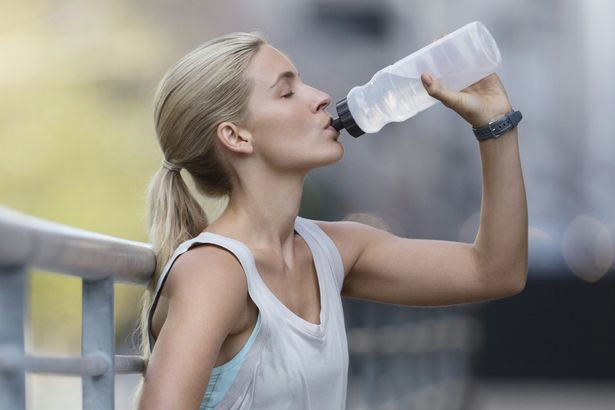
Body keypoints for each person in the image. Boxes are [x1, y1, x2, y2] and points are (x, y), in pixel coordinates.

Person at [134, 31, 528, 409]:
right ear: (236, 136)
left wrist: (495, 125)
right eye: (287, 92)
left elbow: (496, 272)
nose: (321, 98)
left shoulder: (336, 250)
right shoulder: (214, 271)